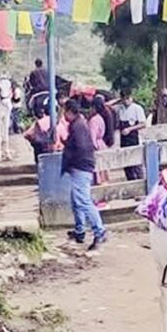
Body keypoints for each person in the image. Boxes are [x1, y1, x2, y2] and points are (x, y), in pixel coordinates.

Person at [61, 98, 106, 249]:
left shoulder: (78, 126)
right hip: (81, 166)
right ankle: (80, 230)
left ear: (69, 112)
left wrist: (68, 151)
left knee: (83, 201)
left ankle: (99, 232)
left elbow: (79, 147)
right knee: (76, 200)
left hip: (81, 167)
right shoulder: (79, 123)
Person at [116, 89, 147, 180]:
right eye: (124, 99)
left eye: (127, 98)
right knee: (126, 163)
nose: (126, 101)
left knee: (136, 162)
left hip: (133, 138)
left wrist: (130, 129)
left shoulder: (137, 108)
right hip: (124, 139)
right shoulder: (120, 109)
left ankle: (141, 181)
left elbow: (143, 124)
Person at [88, 95, 110, 184]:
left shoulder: (93, 120)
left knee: (98, 169)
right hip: (101, 143)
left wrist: (93, 148)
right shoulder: (100, 118)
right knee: (103, 168)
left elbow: (92, 136)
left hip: (96, 145)